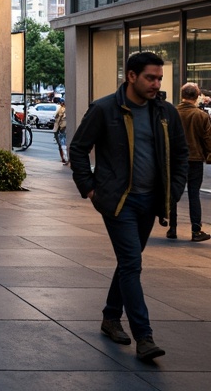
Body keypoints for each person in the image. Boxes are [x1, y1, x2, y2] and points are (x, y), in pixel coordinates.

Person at [69, 50, 188, 362]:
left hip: (151, 202)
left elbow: (180, 153)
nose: (156, 83)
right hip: (119, 202)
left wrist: (173, 192)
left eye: (159, 78)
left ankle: (110, 317)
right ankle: (144, 337)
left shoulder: (164, 112)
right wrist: (91, 190)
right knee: (133, 263)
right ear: (131, 76)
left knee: (127, 262)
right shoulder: (105, 108)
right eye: (150, 77)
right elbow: (79, 149)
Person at [169, 82, 211, 241]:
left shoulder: (172, 113)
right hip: (194, 160)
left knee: (173, 193)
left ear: (182, 96)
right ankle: (196, 230)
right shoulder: (201, 116)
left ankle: (172, 227)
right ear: (196, 96)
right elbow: (208, 139)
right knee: (194, 194)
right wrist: (209, 156)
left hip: (174, 160)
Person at [52, 97, 68, 164]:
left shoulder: (63, 109)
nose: (61, 104)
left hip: (61, 128)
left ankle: (64, 158)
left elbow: (59, 118)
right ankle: (63, 158)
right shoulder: (61, 109)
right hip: (59, 128)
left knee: (62, 144)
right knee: (61, 144)